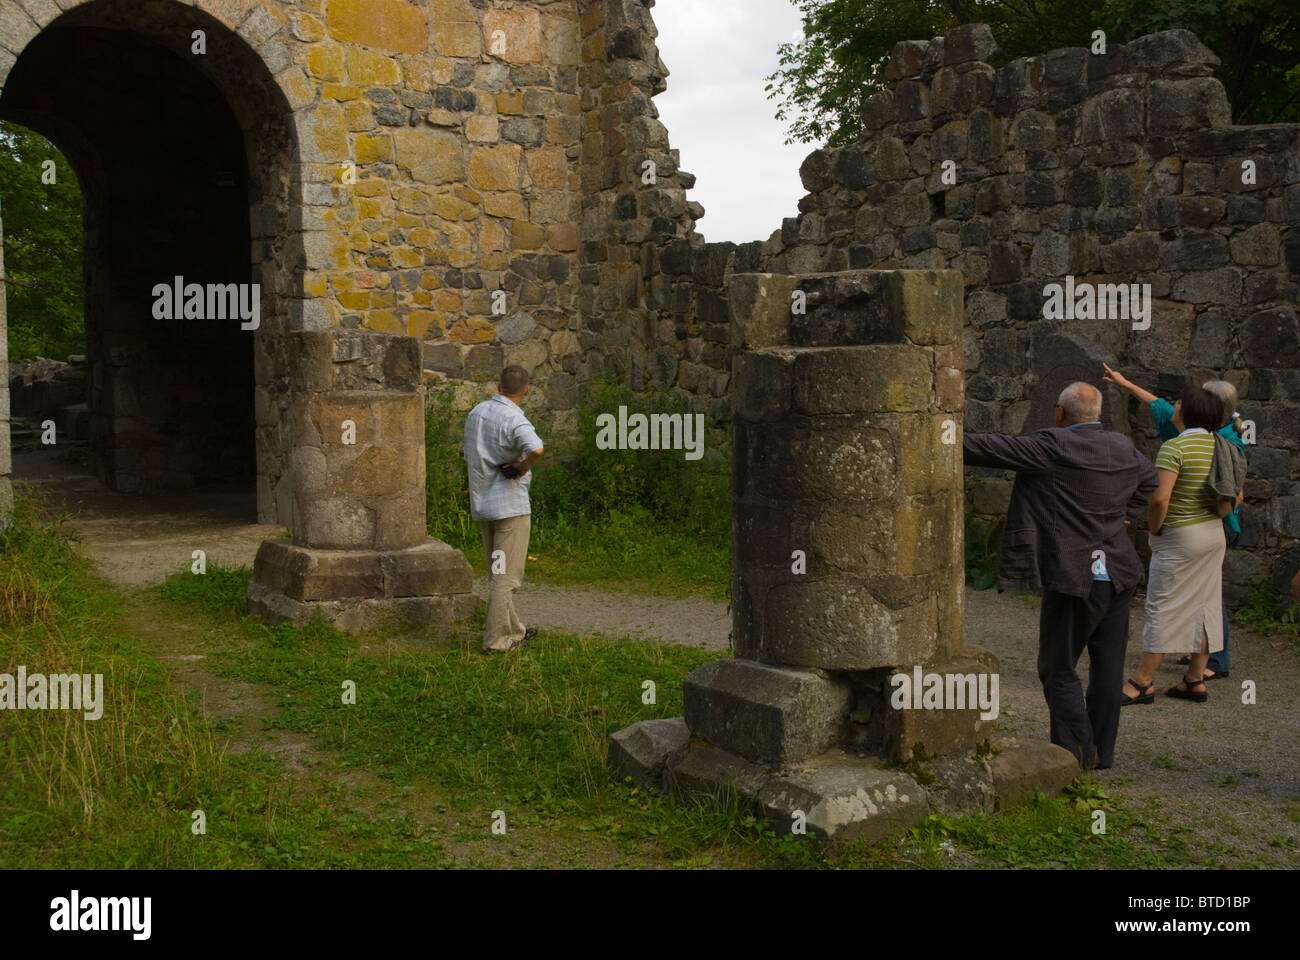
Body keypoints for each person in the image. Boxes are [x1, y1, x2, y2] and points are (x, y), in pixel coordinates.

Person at [964, 382, 1158, 769]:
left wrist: (942, 432)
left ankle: (1077, 752)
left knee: (1057, 666)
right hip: (1118, 573)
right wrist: (1124, 515)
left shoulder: (1053, 445)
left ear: (1059, 412)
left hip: (1076, 576)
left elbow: (990, 447)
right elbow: (1151, 481)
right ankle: (1101, 752)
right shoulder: (1122, 446)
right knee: (1107, 667)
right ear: (1098, 414)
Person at [1103, 366, 1245, 679]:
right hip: (1214, 533)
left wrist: (1155, 527)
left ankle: (1142, 681)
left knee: (1163, 605)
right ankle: (1196, 677)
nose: (1173, 406)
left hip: (1181, 536)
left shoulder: (1175, 446)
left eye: (1179, 404)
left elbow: (1158, 499)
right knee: (1206, 602)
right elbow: (1238, 494)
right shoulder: (1228, 445)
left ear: (1193, 410)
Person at [463, 366, 544, 654]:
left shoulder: (477, 413)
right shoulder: (514, 418)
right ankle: (497, 642)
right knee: (506, 577)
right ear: (526, 391)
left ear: (498, 387)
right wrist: (522, 467)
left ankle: (513, 632)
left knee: (498, 572)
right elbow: (536, 449)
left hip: (484, 503)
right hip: (510, 507)